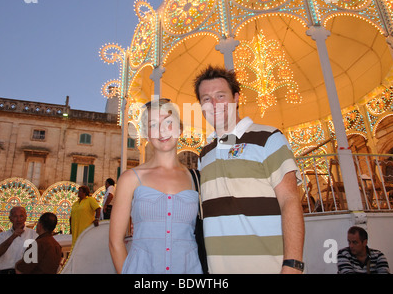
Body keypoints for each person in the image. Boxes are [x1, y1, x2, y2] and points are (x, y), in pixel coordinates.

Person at [193, 65, 305, 274]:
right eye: (206, 99)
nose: (214, 104)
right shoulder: (204, 154)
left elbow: (290, 200)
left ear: (236, 98)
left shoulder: (269, 138)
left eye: (220, 95)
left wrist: (293, 264)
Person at [109, 98, 202, 274]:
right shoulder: (130, 179)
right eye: (153, 125)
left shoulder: (196, 179)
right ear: (146, 133)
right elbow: (115, 242)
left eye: (168, 122)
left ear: (180, 129)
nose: (162, 131)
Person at [0, 206, 38, 274]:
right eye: (15, 216)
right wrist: (13, 237)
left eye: (21, 216)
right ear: (10, 219)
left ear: (25, 217)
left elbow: (34, 258)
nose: (18, 219)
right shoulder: (3, 236)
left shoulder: (34, 235)